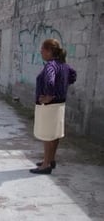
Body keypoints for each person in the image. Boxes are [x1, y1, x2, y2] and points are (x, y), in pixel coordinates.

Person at [30, 38, 77, 174]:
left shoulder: (51, 65)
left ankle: (45, 165)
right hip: (60, 104)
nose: (41, 53)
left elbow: (50, 81)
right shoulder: (64, 65)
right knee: (55, 134)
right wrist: (62, 88)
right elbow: (73, 76)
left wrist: (49, 95)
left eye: (42, 50)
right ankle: (50, 159)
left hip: (49, 106)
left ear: (49, 51)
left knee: (47, 136)